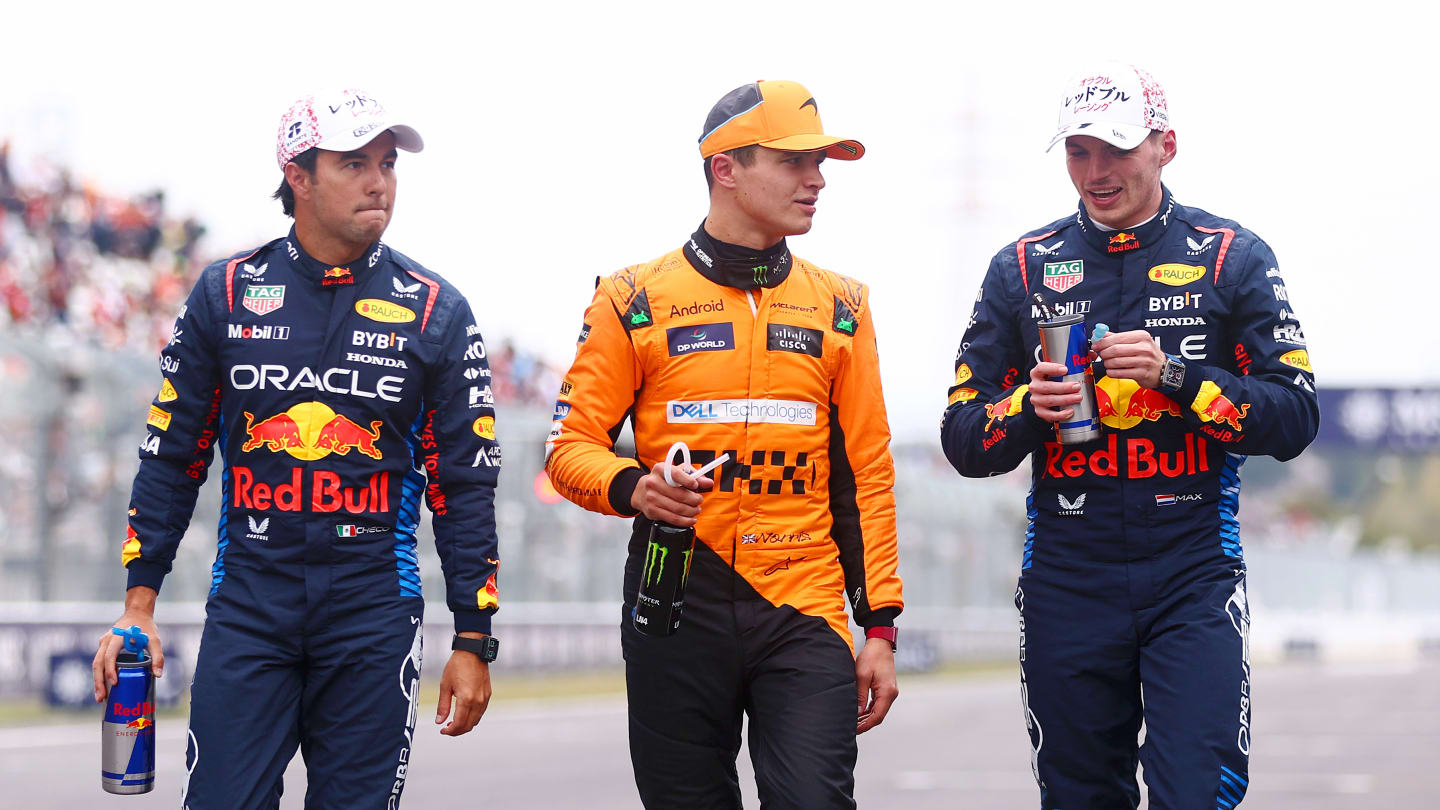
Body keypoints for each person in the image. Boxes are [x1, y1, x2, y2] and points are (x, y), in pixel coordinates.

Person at [91, 88, 504, 809]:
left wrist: (474, 636)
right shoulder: (225, 292)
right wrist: (138, 606)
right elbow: (170, 456)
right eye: (354, 164)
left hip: (374, 609)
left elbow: (463, 485)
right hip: (251, 603)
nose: (379, 181)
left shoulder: (438, 309)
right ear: (299, 178)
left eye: (387, 164)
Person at [940, 63, 1319, 808]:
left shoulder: (1231, 257)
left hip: (1191, 573)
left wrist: (1177, 378)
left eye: (1115, 149)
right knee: (1080, 798)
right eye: (1079, 151)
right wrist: (1026, 406)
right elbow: (961, 437)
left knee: (1196, 793)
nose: (1097, 170)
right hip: (1067, 577)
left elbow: (1296, 416)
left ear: (1164, 146)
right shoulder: (1021, 268)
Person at [545, 79, 904, 809]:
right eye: (796, 160)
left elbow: (865, 475)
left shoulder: (844, 306)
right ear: (726, 168)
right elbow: (569, 446)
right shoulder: (631, 297)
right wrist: (634, 487)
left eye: (822, 161)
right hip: (673, 593)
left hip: (801, 602)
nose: (818, 178)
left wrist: (881, 628)